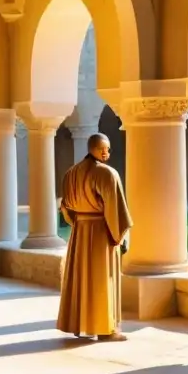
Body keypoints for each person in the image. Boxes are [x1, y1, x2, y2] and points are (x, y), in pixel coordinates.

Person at [56, 133, 132, 341]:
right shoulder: (107, 174)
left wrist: (80, 222)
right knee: (102, 279)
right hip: (101, 232)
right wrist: (120, 237)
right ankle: (105, 330)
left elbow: (66, 208)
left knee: (81, 278)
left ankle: (79, 323)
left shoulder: (71, 174)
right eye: (105, 149)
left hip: (80, 232)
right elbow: (116, 210)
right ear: (98, 150)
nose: (107, 152)